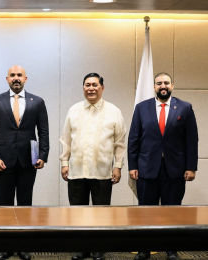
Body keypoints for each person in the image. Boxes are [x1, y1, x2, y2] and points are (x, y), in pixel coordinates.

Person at [128, 72, 198, 260]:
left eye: (166, 82)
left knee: (173, 212)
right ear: (154, 87)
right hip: (146, 169)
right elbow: (133, 139)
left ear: (172, 85)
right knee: (145, 212)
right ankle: (144, 249)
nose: (163, 86)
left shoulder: (184, 108)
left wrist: (191, 167)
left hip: (174, 170)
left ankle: (171, 249)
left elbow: (192, 140)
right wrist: (132, 165)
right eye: (159, 83)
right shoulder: (142, 108)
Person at [59, 72, 126, 260]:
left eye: (95, 85)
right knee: (78, 214)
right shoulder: (73, 110)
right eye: (87, 85)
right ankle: (82, 248)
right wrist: (64, 163)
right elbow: (66, 140)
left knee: (101, 214)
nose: (91, 88)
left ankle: (98, 249)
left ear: (102, 88)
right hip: (76, 171)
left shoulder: (114, 111)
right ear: (83, 88)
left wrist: (118, 166)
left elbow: (120, 142)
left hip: (103, 172)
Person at [0, 65, 49, 260]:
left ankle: (23, 247)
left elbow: (43, 131)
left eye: (19, 75)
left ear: (25, 78)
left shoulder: (37, 102)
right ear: (7, 79)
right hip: (3, 161)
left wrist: (43, 155)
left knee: (25, 204)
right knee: (5, 205)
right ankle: (5, 247)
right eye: (12, 75)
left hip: (28, 161)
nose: (16, 78)